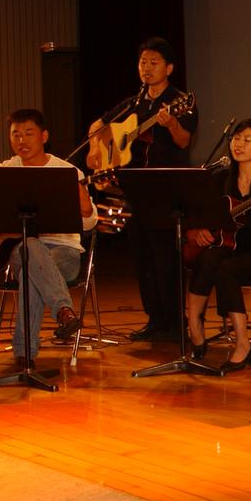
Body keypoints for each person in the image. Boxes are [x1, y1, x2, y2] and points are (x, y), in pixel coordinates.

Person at [0, 109, 98, 366]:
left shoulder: (66, 171)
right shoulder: (5, 170)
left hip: (64, 253)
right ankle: (63, 311)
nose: (22, 140)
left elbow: (90, 220)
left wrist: (85, 208)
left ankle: (24, 354)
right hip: (20, 252)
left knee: (31, 268)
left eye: (28, 133)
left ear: (44, 136)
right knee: (30, 246)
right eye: (15, 135)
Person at [88, 37, 199, 342]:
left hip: (167, 190)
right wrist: (97, 150)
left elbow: (183, 141)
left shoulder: (181, 101)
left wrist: (170, 124)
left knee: (166, 257)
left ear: (169, 68)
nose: (146, 68)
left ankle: (175, 323)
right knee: (142, 257)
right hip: (136, 190)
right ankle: (154, 320)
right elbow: (98, 125)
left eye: (154, 62)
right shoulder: (136, 102)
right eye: (142, 62)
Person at [185, 118, 251, 372]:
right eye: (236, 138)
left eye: (247, 139)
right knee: (207, 259)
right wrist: (200, 230)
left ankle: (243, 344)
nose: (239, 145)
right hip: (232, 247)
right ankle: (194, 325)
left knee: (226, 269)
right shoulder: (221, 178)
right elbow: (199, 213)